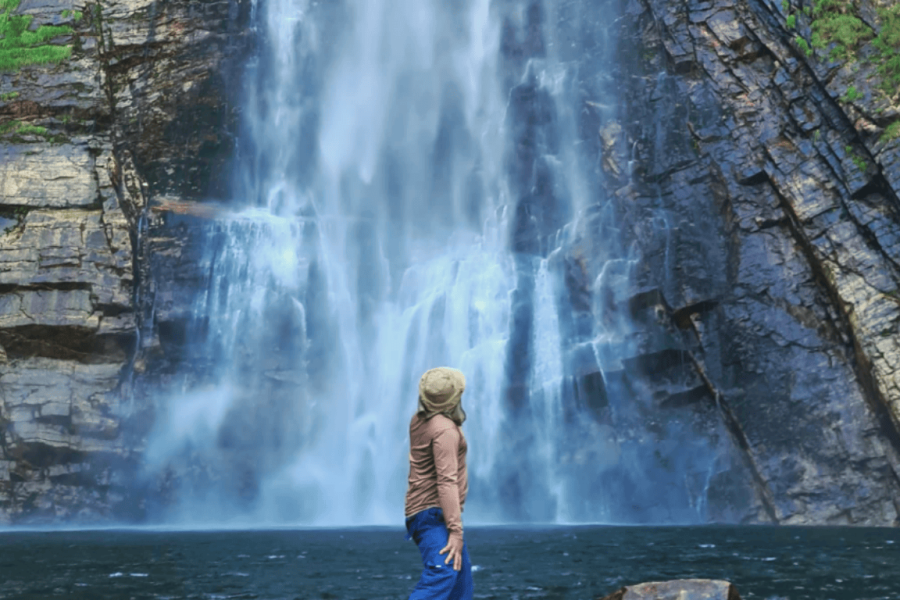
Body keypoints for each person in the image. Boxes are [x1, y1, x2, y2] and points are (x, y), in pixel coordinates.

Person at [404, 367, 473, 600]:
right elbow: (446, 481)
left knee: (460, 585)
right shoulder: (445, 431)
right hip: (433, 514)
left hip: (426, 511)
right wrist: (456, 531)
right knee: (443, 573)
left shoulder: (419, 420)